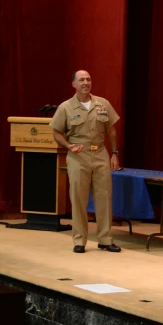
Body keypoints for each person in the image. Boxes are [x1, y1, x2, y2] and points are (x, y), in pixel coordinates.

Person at [50, 70, 122, 254]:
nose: (86, 83)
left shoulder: (102, 103)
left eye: (88, 79)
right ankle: (79, 240)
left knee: (104, 197)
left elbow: (111, 131)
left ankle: (105, 239)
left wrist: (114, 153)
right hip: (78, 156)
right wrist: (68, 146)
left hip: (100, 154)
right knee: (79, 198)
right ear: (73, 84)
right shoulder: (65, 107)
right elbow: (57, 132)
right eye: (81, 80)